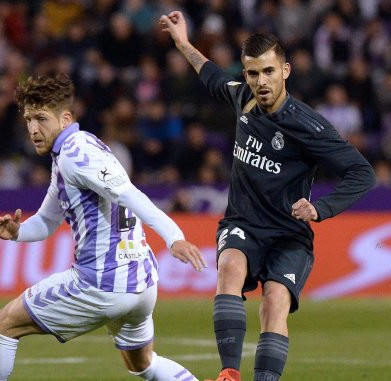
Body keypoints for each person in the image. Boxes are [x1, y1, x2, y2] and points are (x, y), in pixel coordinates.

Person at [160, 11, 376, 381]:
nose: (261, 82)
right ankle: (229, 373)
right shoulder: (242, 98)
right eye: (253, 73)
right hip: (243, 223)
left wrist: (320, 208)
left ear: (285, 71)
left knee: (274, 304)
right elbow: (210, 73)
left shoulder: (309, 126)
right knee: (229, 268)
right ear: (245, 74)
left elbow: (363, 173)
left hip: (289, 235)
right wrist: (182, 41)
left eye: (269, 71)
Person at [0, 74, 206, 381]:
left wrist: (173, 237)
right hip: (142, 281)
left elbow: (127, 193)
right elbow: (47, 220)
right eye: (28, 119)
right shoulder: (77, 150)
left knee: (3, 325)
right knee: (143, 363)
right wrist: (18, 232)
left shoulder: (75, 155)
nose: (33, 129)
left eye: (41, 118)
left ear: (65, 118)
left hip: (102, 283)